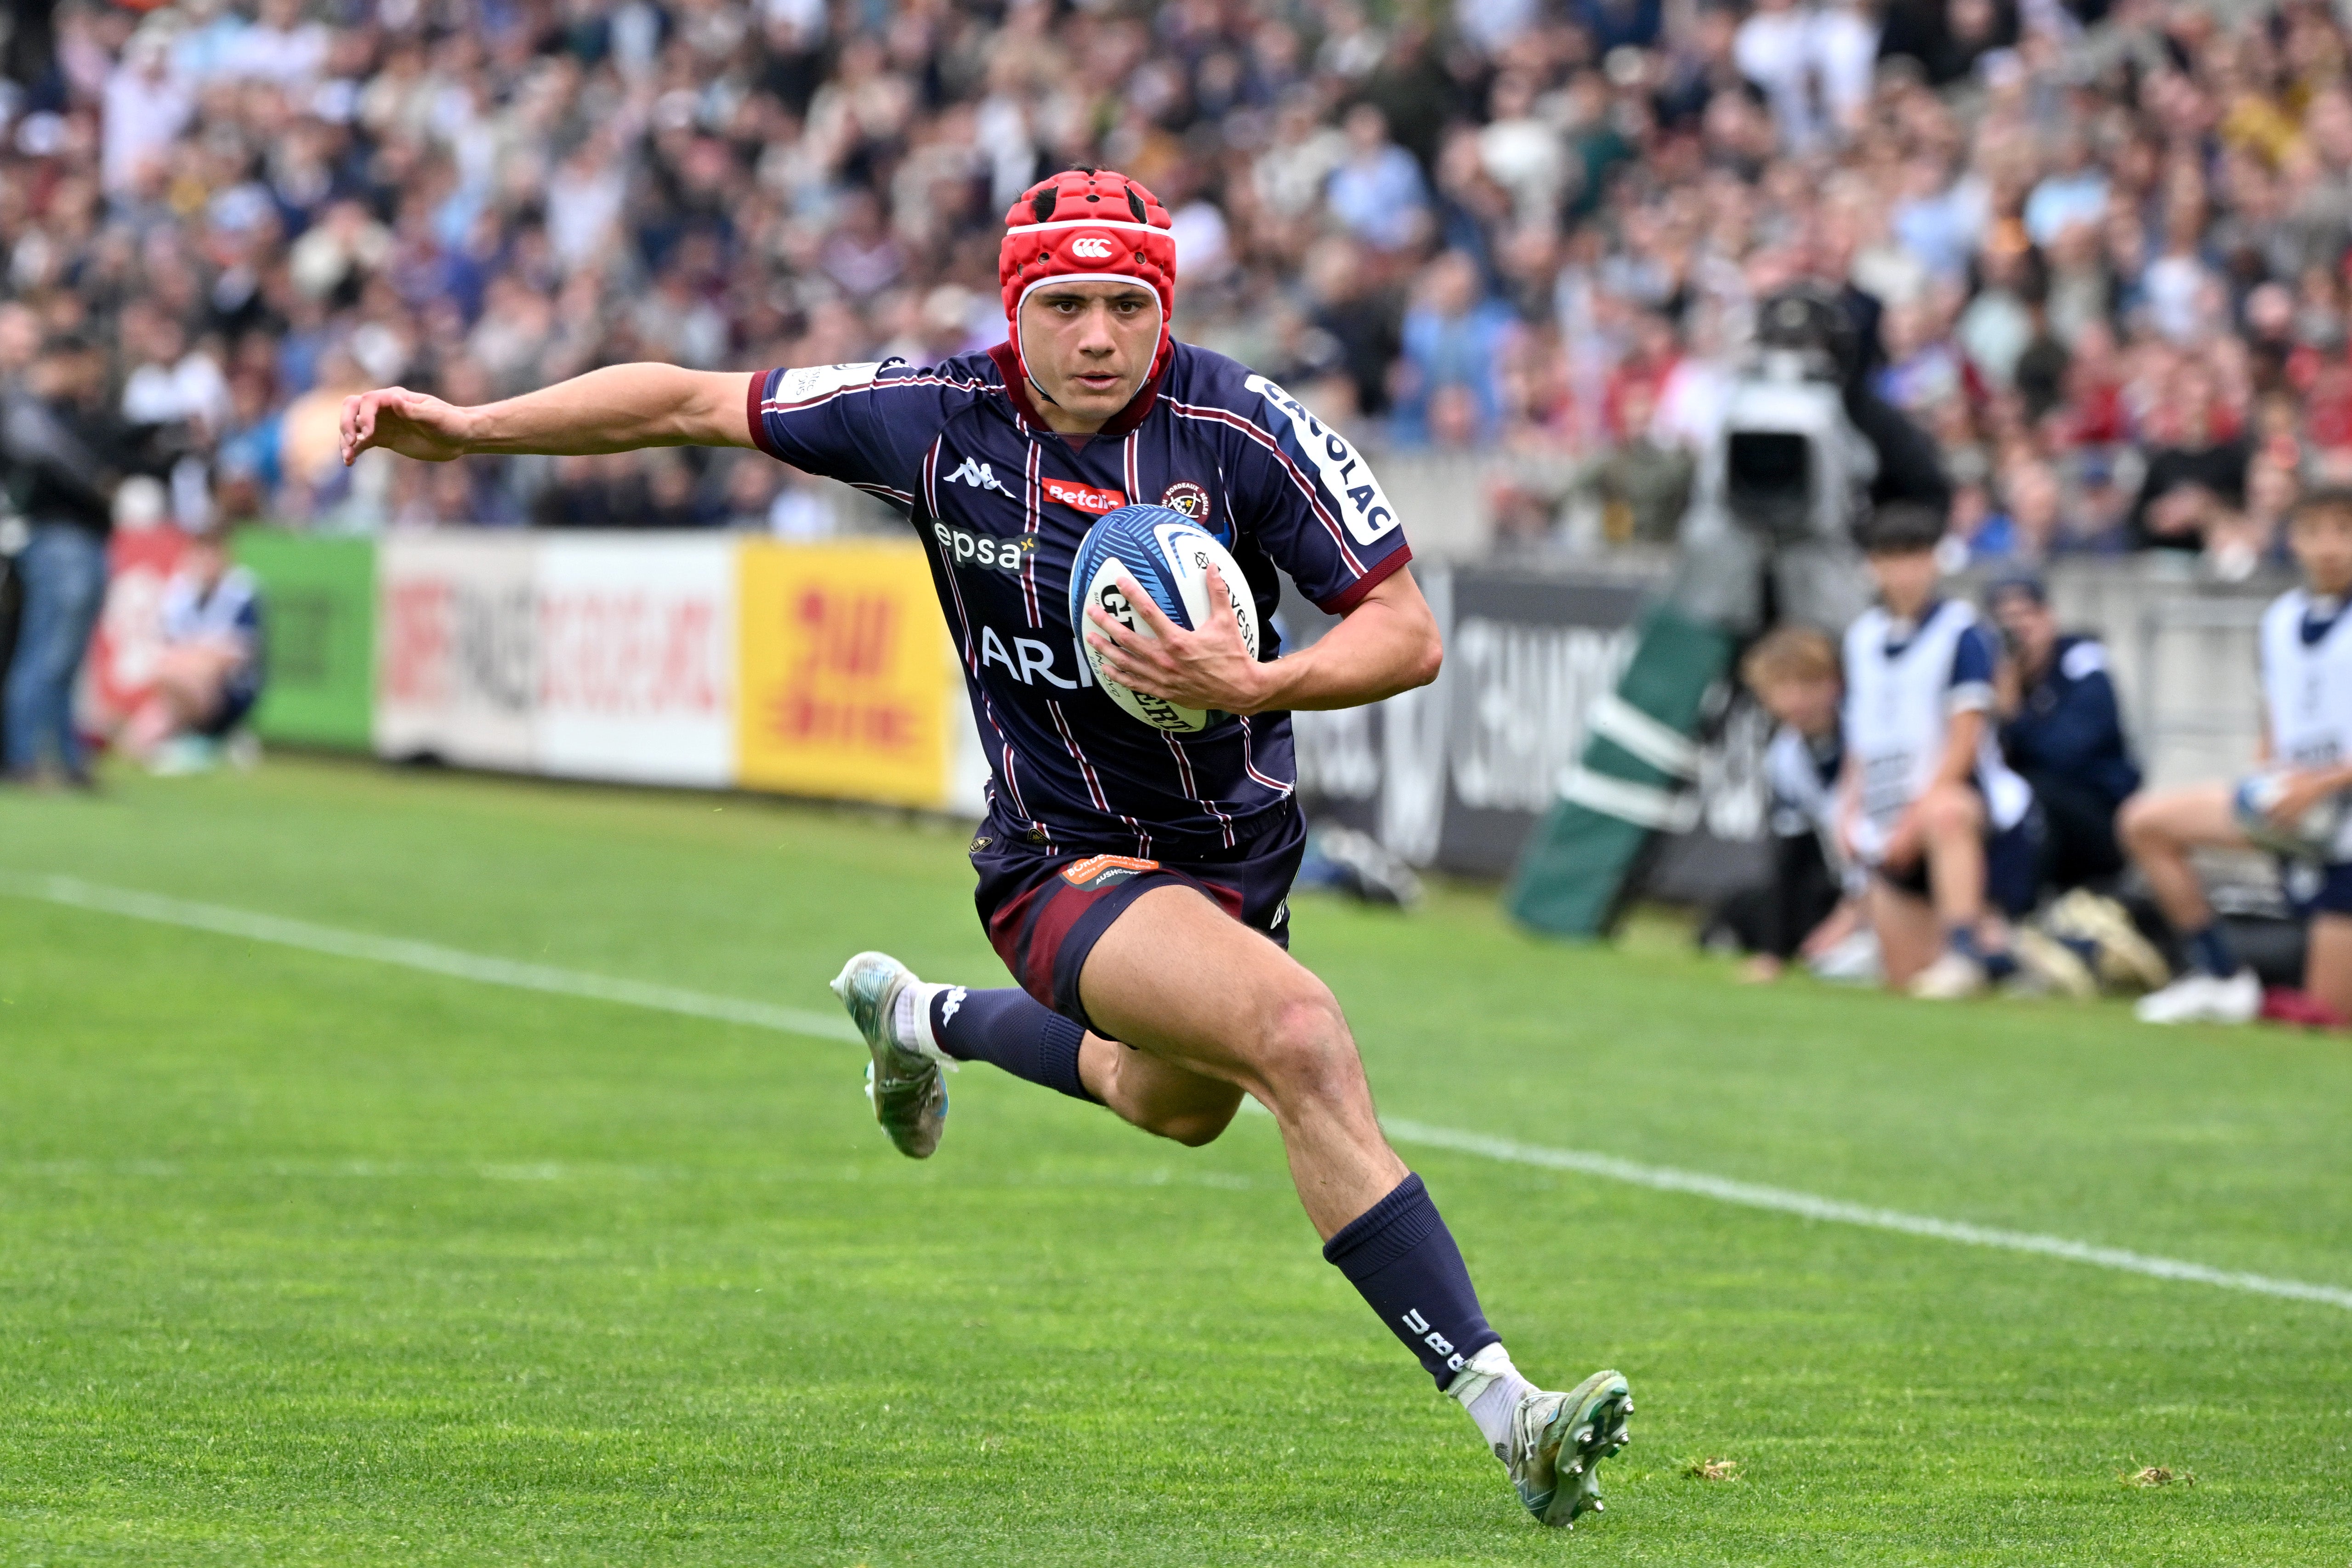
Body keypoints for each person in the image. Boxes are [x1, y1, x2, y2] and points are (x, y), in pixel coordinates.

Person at [337, 167, 1635, 1530]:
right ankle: (1514, 1418)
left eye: (1124, 305)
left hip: (1231, 867)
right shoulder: (933, 418)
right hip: (1055, 864)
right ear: (1013, 306)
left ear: (1163, 308)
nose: (1093, 337)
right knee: (1300, 1040)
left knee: (1175, 1103)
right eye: (1062, 304)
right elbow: (684, 399)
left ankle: (919, 1017)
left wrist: (1254, 681)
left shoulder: (1239, 427)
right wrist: (467, 432)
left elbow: (1405, 630)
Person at [2120, 486, 2352, 1026]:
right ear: (2293, 539)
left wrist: (2319, 785)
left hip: (2339, 823)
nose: (2329, 546)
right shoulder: (2279, 620)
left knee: (2325, 1018)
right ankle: (2221, 975)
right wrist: (2268, 777)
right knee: (2146, 823)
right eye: (2315, 530)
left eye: (2344, 530)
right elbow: (2275, 715)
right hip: (2293, 812)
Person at [1836, 502, 2081, 999]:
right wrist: (1848, 810)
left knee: (1948, 814)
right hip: (1891, 814)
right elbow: (1861, 742)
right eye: (1891, 558)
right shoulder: (1862, 639)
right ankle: (2012, 957)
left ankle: (1972, 947)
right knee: (1906, 979)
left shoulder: (1963, 631)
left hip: (1963, 813)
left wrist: (1916, 818)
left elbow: (1965, 739)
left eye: (1915, 557)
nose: (1904, 572)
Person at [2, 334, 121, 789]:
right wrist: (99, 480)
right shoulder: (27, 405)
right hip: (55, 538)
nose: (95, 376)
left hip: (78, 537)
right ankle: (24, 756)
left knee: (67, 658)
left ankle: (66, 760)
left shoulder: (66, 410)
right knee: (47, 652)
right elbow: (45, 452)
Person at [1715, 625, 1860, 982]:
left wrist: (1854, 913)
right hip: (1851, 889)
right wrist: (1773, 954)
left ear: (1835, 684)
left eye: (1808, 685)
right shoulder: (1786, 756)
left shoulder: (1866, 735)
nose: (1795, 700)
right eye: (1780, 689)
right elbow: (1792, 854)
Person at [1985, 571, 2140, 896]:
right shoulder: (1991, 675)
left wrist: (2013, 715)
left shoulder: (2082, 664)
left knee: (2028, 795)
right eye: (2005, 621)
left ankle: (2018, 914)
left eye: (2026, 615)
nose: (2019, 631)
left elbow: (2068, 752)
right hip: (2042, 820)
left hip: (2101, 819)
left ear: (2048, 617)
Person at [119, 521, 264, 772]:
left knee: (185, 674)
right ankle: (198, 741)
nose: (207, 562)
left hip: (229, 693)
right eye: (201, 554)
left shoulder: (242, 592)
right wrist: (195, 658)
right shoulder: (181, 593)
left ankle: (212, 735)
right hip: (183, 691)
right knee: (133, 743)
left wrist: (194, 660)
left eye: (213, 555)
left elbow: (233, 655)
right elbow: (165, 652)